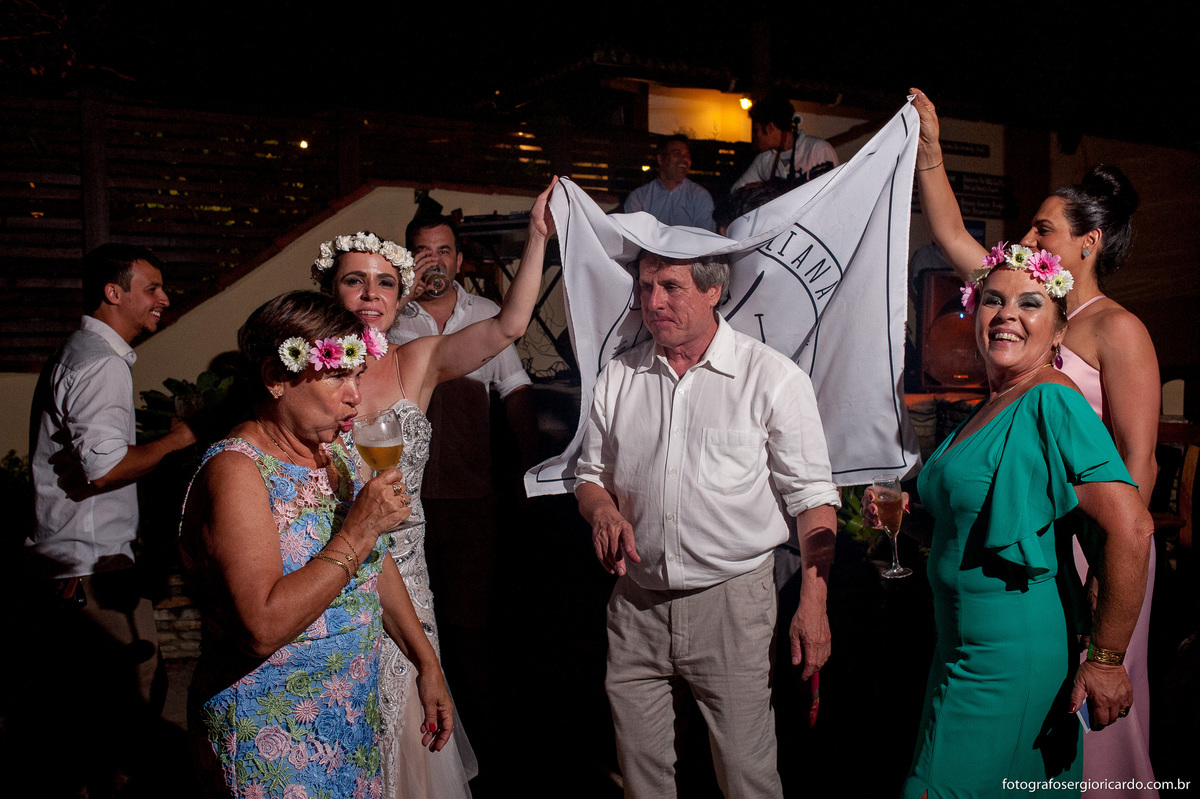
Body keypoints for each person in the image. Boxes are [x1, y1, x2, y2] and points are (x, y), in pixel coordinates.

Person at [910, 88, 1160, 796]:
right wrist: (931, 150)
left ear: (1088, 242)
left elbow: (1135, 465)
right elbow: (957, 234)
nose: (1029, 237)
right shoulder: (1021, 309)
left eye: (1044, 229)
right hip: (1033, 526)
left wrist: (1106, 565)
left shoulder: (1116, 329)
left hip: (1097, 530)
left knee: (1093, 712)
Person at [866, 245, 1153, 798]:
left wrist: (1109, 660)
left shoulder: (1052, 399)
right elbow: (971, 530)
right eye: (992, 300)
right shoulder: (990, 404)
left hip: (1009, 657)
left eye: (1030, 303)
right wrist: (898, 520)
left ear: (1058, 330)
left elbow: (1132, 528)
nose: (1006, 314)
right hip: (957, 649)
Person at [315, 179, 556, 799]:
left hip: (406, 560)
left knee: (410, 713)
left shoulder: (417, 360)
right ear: (328, 290)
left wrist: (535, 239)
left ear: (401, 295)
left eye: (385, 283)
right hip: (329, 563)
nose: (370, 295)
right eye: (353, 281)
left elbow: (509, 325)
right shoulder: (302, 371)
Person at [575, 251, 840, 798]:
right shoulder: (620, 375)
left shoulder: (771, 378)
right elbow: (589, 475)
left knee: (746, 776)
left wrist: (814, 605)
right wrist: (601, 509)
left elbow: (814, 500)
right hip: (636, 602)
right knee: (641, 778)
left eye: (670, 287)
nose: (653, 303)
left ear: (714, 291)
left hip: (732, 604)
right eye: (645, 288)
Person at [180, 291, 453, 798]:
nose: (356, 394)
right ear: (277, 378)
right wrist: (356, 531)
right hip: (272, 728)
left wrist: (426, 662)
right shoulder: (237, 472)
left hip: (350, 713)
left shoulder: (335, 450)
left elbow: (375, 562)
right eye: (337, 376)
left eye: (357, 374)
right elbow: (261, 627)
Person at [24, 243, 196, 796]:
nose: (163, 300)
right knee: (127, 702)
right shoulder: (101, 363)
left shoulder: (79, 350)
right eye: (152, 288)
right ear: (113, 292)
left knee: (83, 707)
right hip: (94, 563)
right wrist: (175, 441)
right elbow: (103, 470)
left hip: (72, 552)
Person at [388, 212, 537, 759]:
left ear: (459, 258)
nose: (435, 261)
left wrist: (529, 471)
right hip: (405, 505)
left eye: (443, 250)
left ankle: (481, 745)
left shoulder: (487, 315)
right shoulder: (389, 318)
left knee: (469, 628)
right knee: (413, 627)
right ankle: (418, 736)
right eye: (423, 251)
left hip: (472, 500)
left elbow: (515, 389)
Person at [730, 94, 839, 193]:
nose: (755, 137)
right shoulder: (763, 159)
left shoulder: (818, 149)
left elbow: (834, 192)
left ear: (770, 128)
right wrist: (763, 189)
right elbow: (735, 190)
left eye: (756, 130)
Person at [623, 134, 717, 231]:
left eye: (687, 156)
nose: (684, 159)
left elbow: (705, 238)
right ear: (660, 159)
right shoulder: (639, 198)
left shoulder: (700, 196)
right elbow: (633, 239)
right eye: (677, 154)